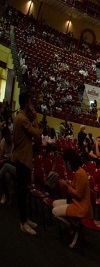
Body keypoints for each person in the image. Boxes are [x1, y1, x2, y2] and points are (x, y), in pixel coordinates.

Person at [12, 92, 41, 235]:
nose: (31, 105)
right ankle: (23, 222)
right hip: (23, 159)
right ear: (26, 103)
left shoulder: (20, 117)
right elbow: (37, 134)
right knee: (22, 192)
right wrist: (35, 118)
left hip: (21, 157)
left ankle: (25, 219)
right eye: (29, 102)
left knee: (23, 191)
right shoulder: (23, 119)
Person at [53, 149, 93, 248]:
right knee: (54, 203)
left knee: (54, 211)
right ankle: (72, 227)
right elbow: (75, 188)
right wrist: (68, 183)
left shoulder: (80, 173)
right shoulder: (79, 171)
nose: (66, 165)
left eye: (66, 162)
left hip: (81, 207)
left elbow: (78, 194)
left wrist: (66, 186)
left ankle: (71, 227)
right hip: (76, 202)